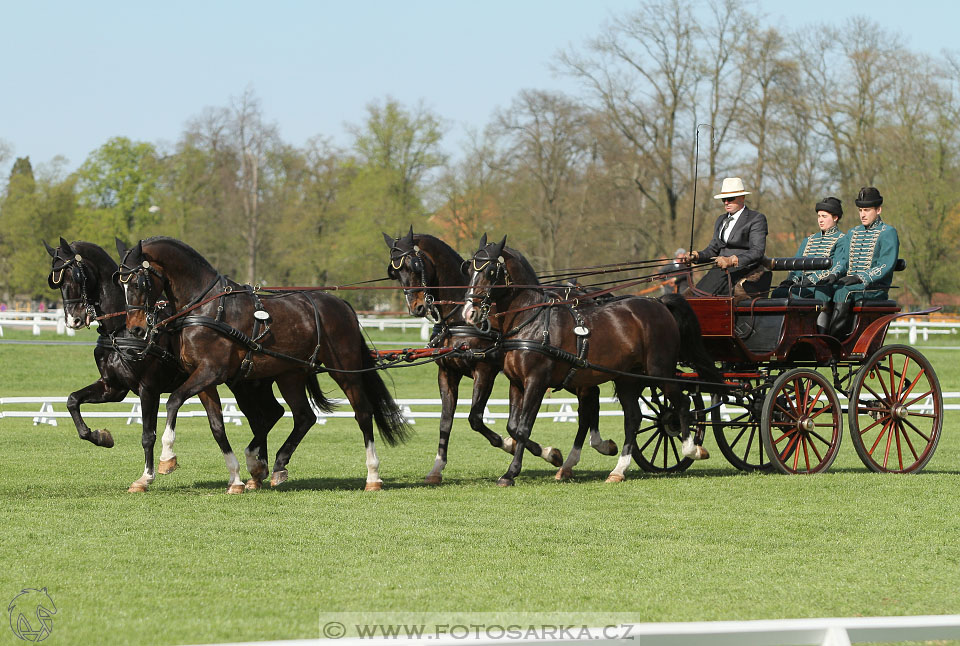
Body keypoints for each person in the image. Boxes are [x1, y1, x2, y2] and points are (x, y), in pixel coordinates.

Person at [815, 186, 899, 337]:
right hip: (851, 284)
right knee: (824, 289)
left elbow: (885, 265)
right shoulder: (853, 233)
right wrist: (834, 275)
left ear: (878, 210)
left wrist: (860, 277)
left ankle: (833, 340)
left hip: (874, 288)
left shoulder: (888, 232)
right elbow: (843, 260)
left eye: (867, 210)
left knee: (843, 292)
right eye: (860, 210)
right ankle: (818, 335)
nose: (863, 214)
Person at [681, 177, 768, 296]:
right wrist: (696, 256)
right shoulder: (721, 219)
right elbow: (713, 250)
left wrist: (732, 260)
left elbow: (757, 251)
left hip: (742, 270)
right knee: (689, 296)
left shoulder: (756, 219)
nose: (726, 202)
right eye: (723, 199)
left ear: (742, 198)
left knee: (700, 297)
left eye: (730, 199)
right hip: (719, 271)